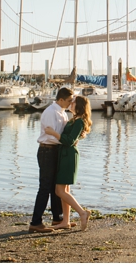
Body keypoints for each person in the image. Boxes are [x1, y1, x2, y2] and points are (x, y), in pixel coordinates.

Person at [29, 87, 73, 233]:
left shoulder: (62, 112)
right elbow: (53, 134)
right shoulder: (50, 112)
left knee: (56, 186)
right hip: (47, 149)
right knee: (45, 186)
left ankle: (58, 217)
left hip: (55, 150)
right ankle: (36, 221)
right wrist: (68, 141)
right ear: (61, 99)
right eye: (68, 100)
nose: (70, 102)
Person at [46, 95, 92, 231]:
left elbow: (69, 140)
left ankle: (82, 212)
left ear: (79, 106)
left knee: (59, 191)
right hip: (65, 154)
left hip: (68, 156)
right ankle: (66, 221)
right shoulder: (75, 120)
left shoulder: (79, 121)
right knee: (64, 190)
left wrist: (53, 133)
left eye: (73, 102)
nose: (71, 104)